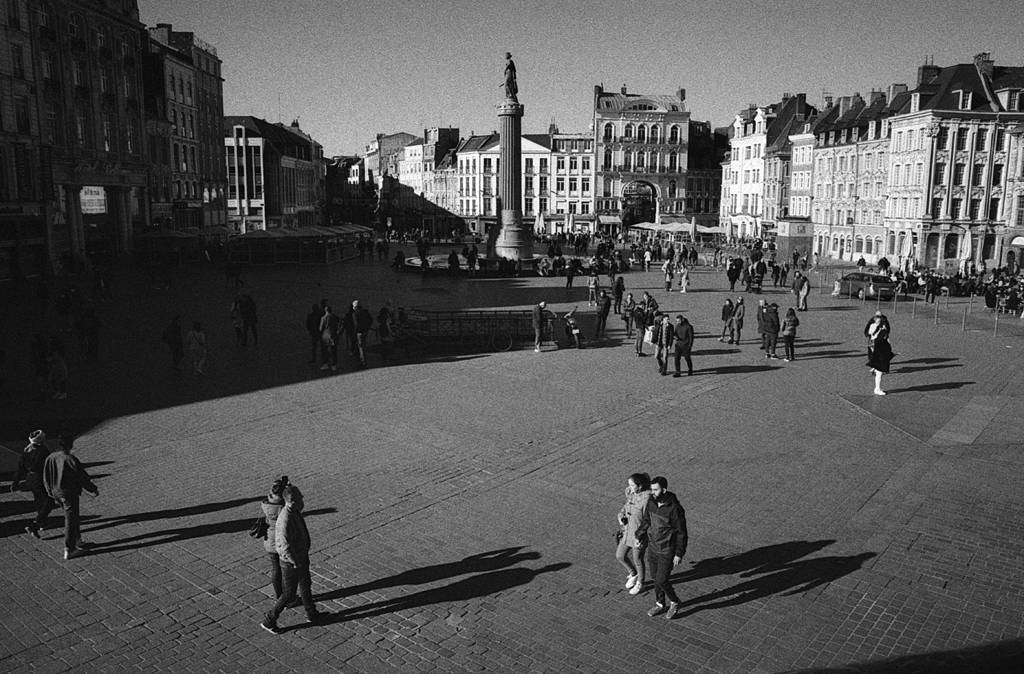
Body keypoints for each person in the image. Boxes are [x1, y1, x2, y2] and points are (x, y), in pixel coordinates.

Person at [262, 485, 324, 632]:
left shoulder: (294, 511)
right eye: (301, 497)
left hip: (301, 557)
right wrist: (295, 562)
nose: (303, 499)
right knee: (289, 594)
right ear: (293, 500)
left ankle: (312, 612)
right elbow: (283, 545)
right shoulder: (285, 518)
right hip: (292, 563)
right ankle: (269, 620)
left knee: (305, 584)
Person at [635, 476, 688, 619]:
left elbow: (681, 533)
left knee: (662, 580)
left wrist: (679, 553)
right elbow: (646, 521)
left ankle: (675, 601)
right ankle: (660, 604)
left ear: (664, 490)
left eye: (656, 490)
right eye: (651, 489)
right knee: (654, 578)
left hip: (667, 550)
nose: (653, 493)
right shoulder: (652, 502)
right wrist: (638, 536)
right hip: (653, 548)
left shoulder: (675, 509)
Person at [42, 434, 98, 560]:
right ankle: (69, 548)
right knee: (71, 520)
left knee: (72, 516)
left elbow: (45, 476)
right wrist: (92, 488)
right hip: (68, 493)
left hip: (55, 491)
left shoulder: (51, 457)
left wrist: (49, 490)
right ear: (70, 445)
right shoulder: (70, 459)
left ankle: (78, 540)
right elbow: (82, 477)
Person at [10, 430, 53, 538]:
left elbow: (20, 468)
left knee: (39, 501)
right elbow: (48, 465)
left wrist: (15, 482)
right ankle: (35, 524)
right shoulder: (43, 451)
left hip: (30, 479)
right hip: (40, 478)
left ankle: (43, 523)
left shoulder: (27, 451)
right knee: (49, 502)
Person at [615, 473, 651, 596]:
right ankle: (633, 573)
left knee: (638, 559)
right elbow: (624, 509)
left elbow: (648, 519)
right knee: (620, 555)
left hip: (638, 535)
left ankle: (641, 582)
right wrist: (621, 517)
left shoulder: (646, 499)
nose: (629, 488)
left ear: (639, 486)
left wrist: (641, 535)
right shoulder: (631, 495)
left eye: (632, 485)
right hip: (627, 532)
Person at [260, 476, 290, 602]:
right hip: (279, 540)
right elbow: (298, 506)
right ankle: (286, 596)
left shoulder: (266, 502)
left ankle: (278, 595)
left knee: (275, 568)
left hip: (269, 539)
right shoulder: (281, 507)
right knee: (284, 570)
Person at [866, 314, 893, 395]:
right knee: (879, 372)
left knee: (879, 373)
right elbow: (882, 342)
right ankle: (877, 389)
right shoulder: (881, 331)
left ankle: (878, 388)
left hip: (880, 353)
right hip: (880, 353)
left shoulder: (882, 331)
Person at [352, 300, 374, 367]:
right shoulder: (365, 311)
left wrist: (354, 332)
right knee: (363, 345)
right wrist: (367, 327)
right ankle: (364, 360)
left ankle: (363, 361)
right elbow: (371, 320)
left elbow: (356, 324)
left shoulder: (355, 314)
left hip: (359, 332)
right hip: (365, 331)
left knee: (361, 347)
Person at [319, 305, 339, 371]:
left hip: (325, 336)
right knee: (334, 351)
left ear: (325, 311)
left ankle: (326, 363)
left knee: (325, 350)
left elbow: (321, 329)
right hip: (333, 335)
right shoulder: (335, 317)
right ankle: (334, 364)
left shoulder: (323, 318)